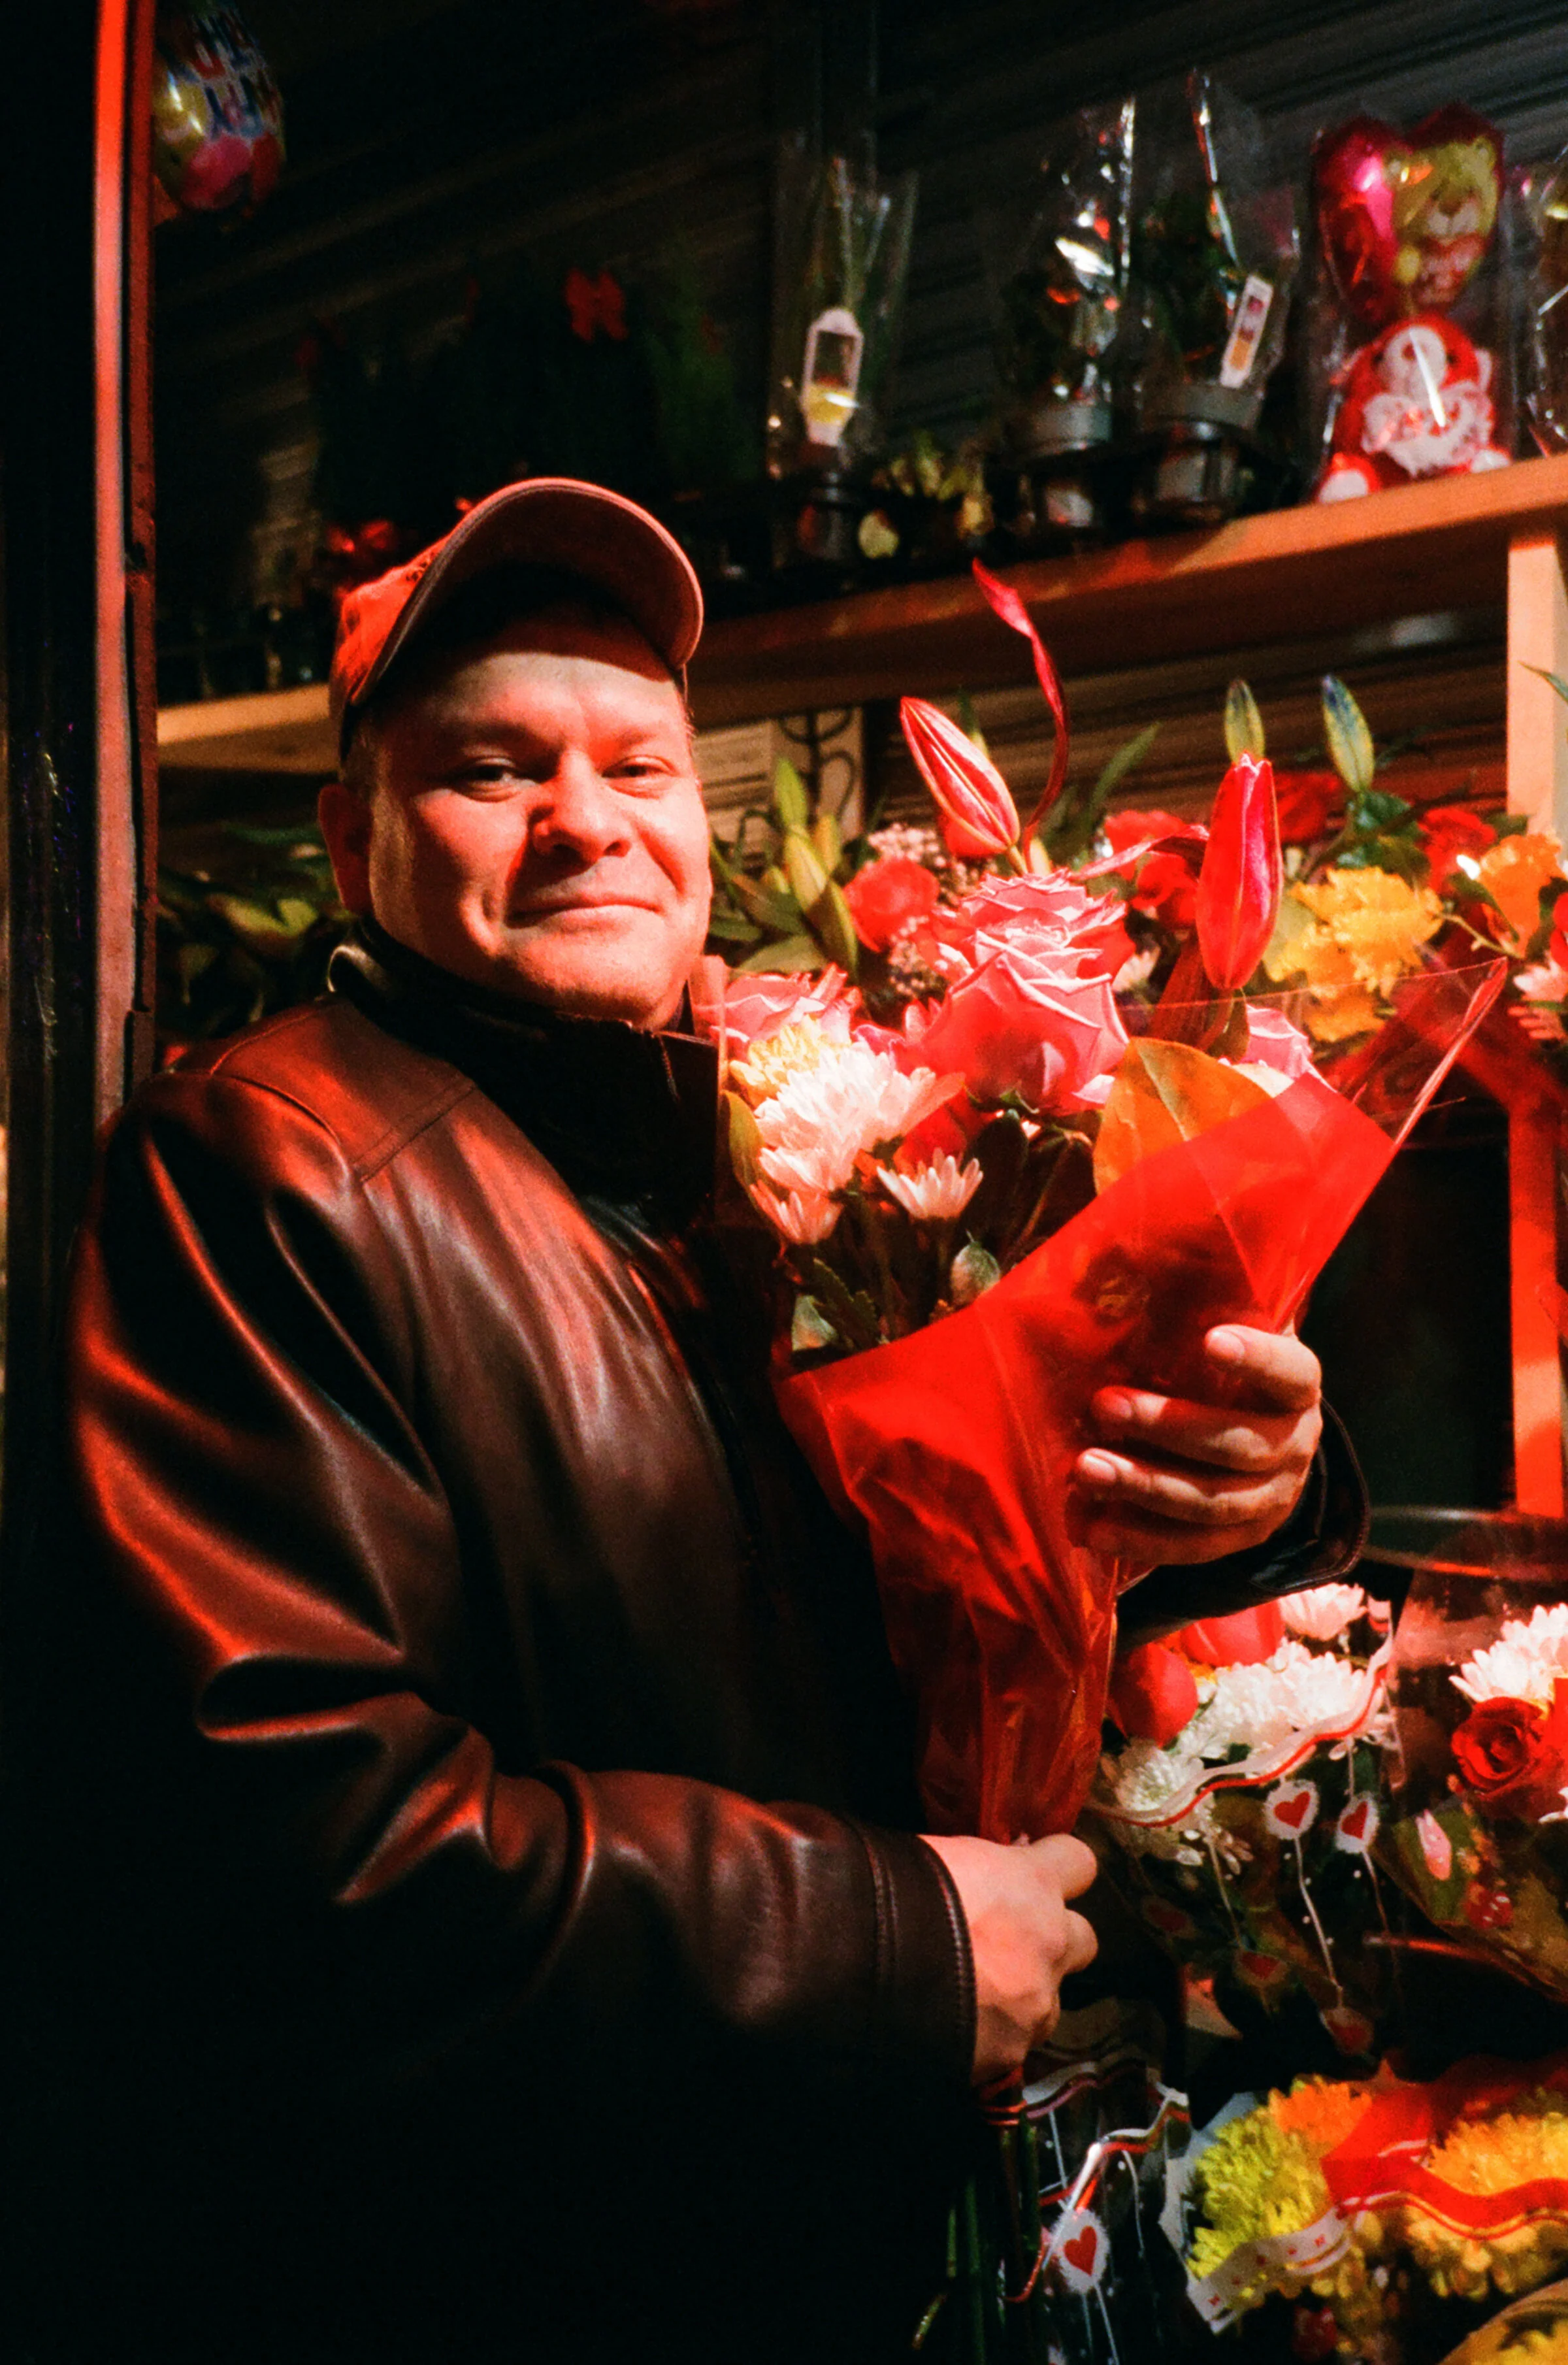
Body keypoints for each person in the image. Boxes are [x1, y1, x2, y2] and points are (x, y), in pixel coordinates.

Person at [5, 479, 1363, 2365]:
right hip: (525, 2281)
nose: (585, 819)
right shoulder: (264, 1169)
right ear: (348, 839)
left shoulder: (780, 1148)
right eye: (496, 769)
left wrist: (1231, 1495)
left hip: (840, 2230)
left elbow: (908, 1582)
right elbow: (297, 1857)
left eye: (634, 763)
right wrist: (882, 1948)